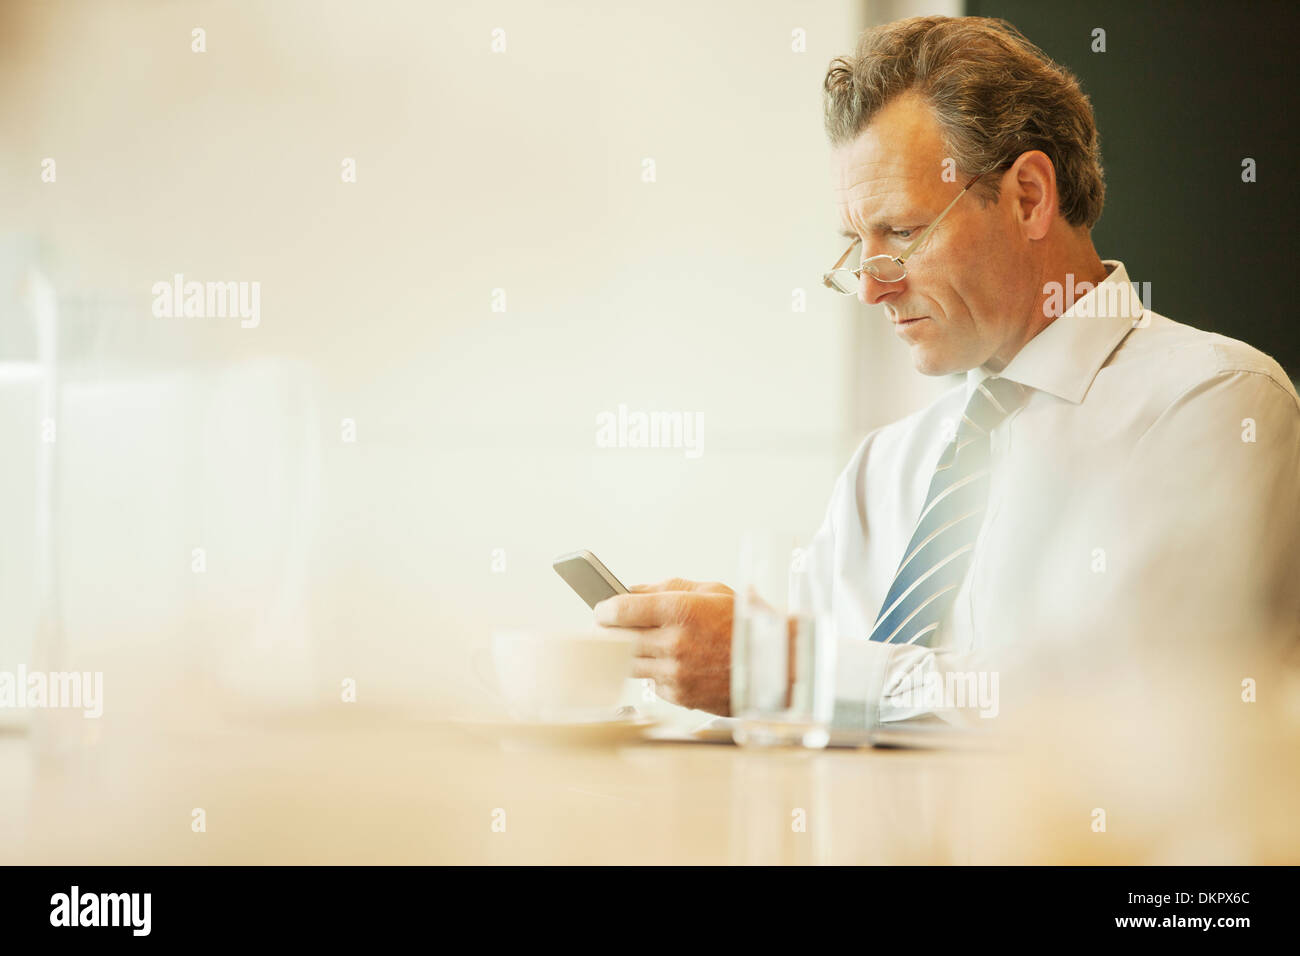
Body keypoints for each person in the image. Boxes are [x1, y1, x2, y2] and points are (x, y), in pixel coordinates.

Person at [594, 15, 1300, 725]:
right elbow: (814, 713)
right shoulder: (887, 467)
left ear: (1028, 197)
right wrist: (739, 660)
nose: (872, 287)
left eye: (902, 232)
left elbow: (1129, 715)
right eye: (857, 245)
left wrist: (793, 669)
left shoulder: (1216, 402)